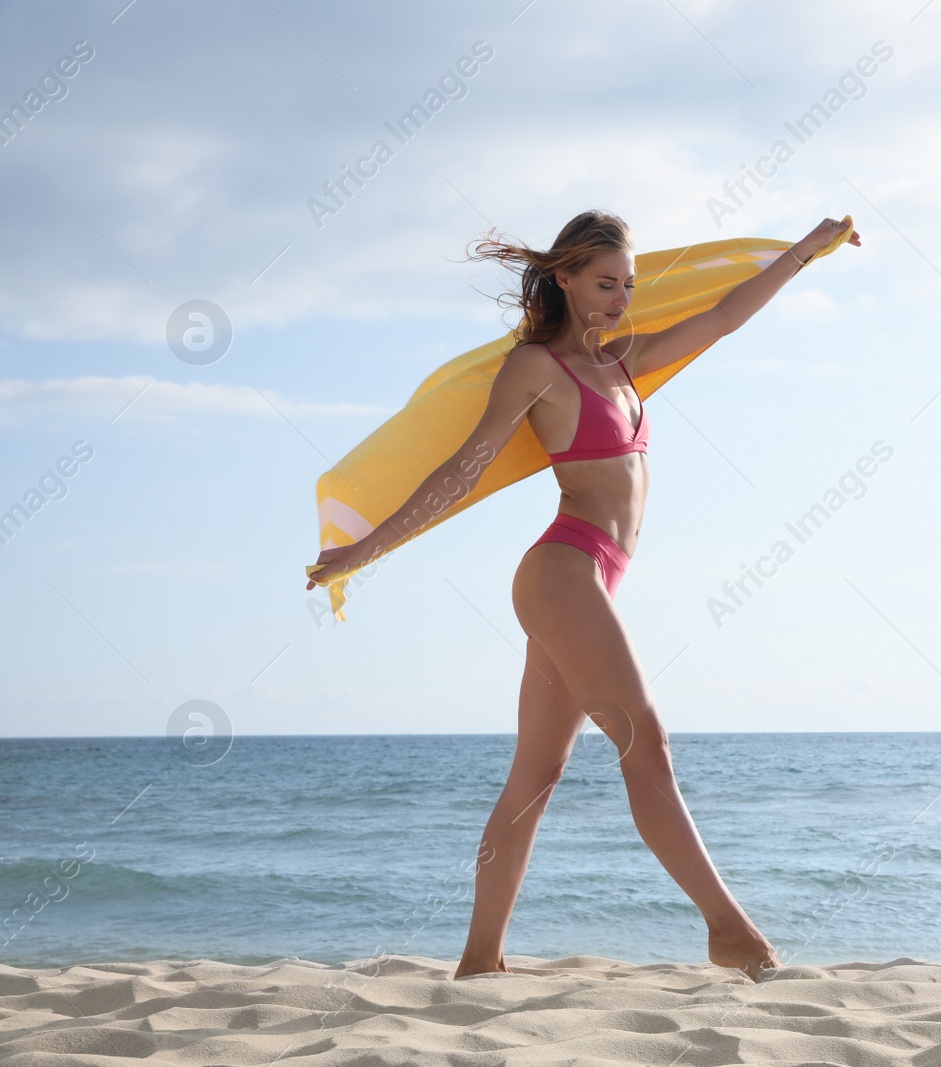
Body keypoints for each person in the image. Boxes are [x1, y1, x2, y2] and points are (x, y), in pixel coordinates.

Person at [305, 210, 861, 981]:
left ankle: (478, 960)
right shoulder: (536, 368)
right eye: (604, 283)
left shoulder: (625, 363)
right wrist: (367, 547)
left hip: (594, 575)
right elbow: (464, 467)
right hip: (564, 570)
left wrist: (807, 249)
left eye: (627, 285)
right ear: (563, 277)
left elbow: (724, 317)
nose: (618, 299)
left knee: (537, 773)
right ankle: (732, 931)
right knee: (648, 744)